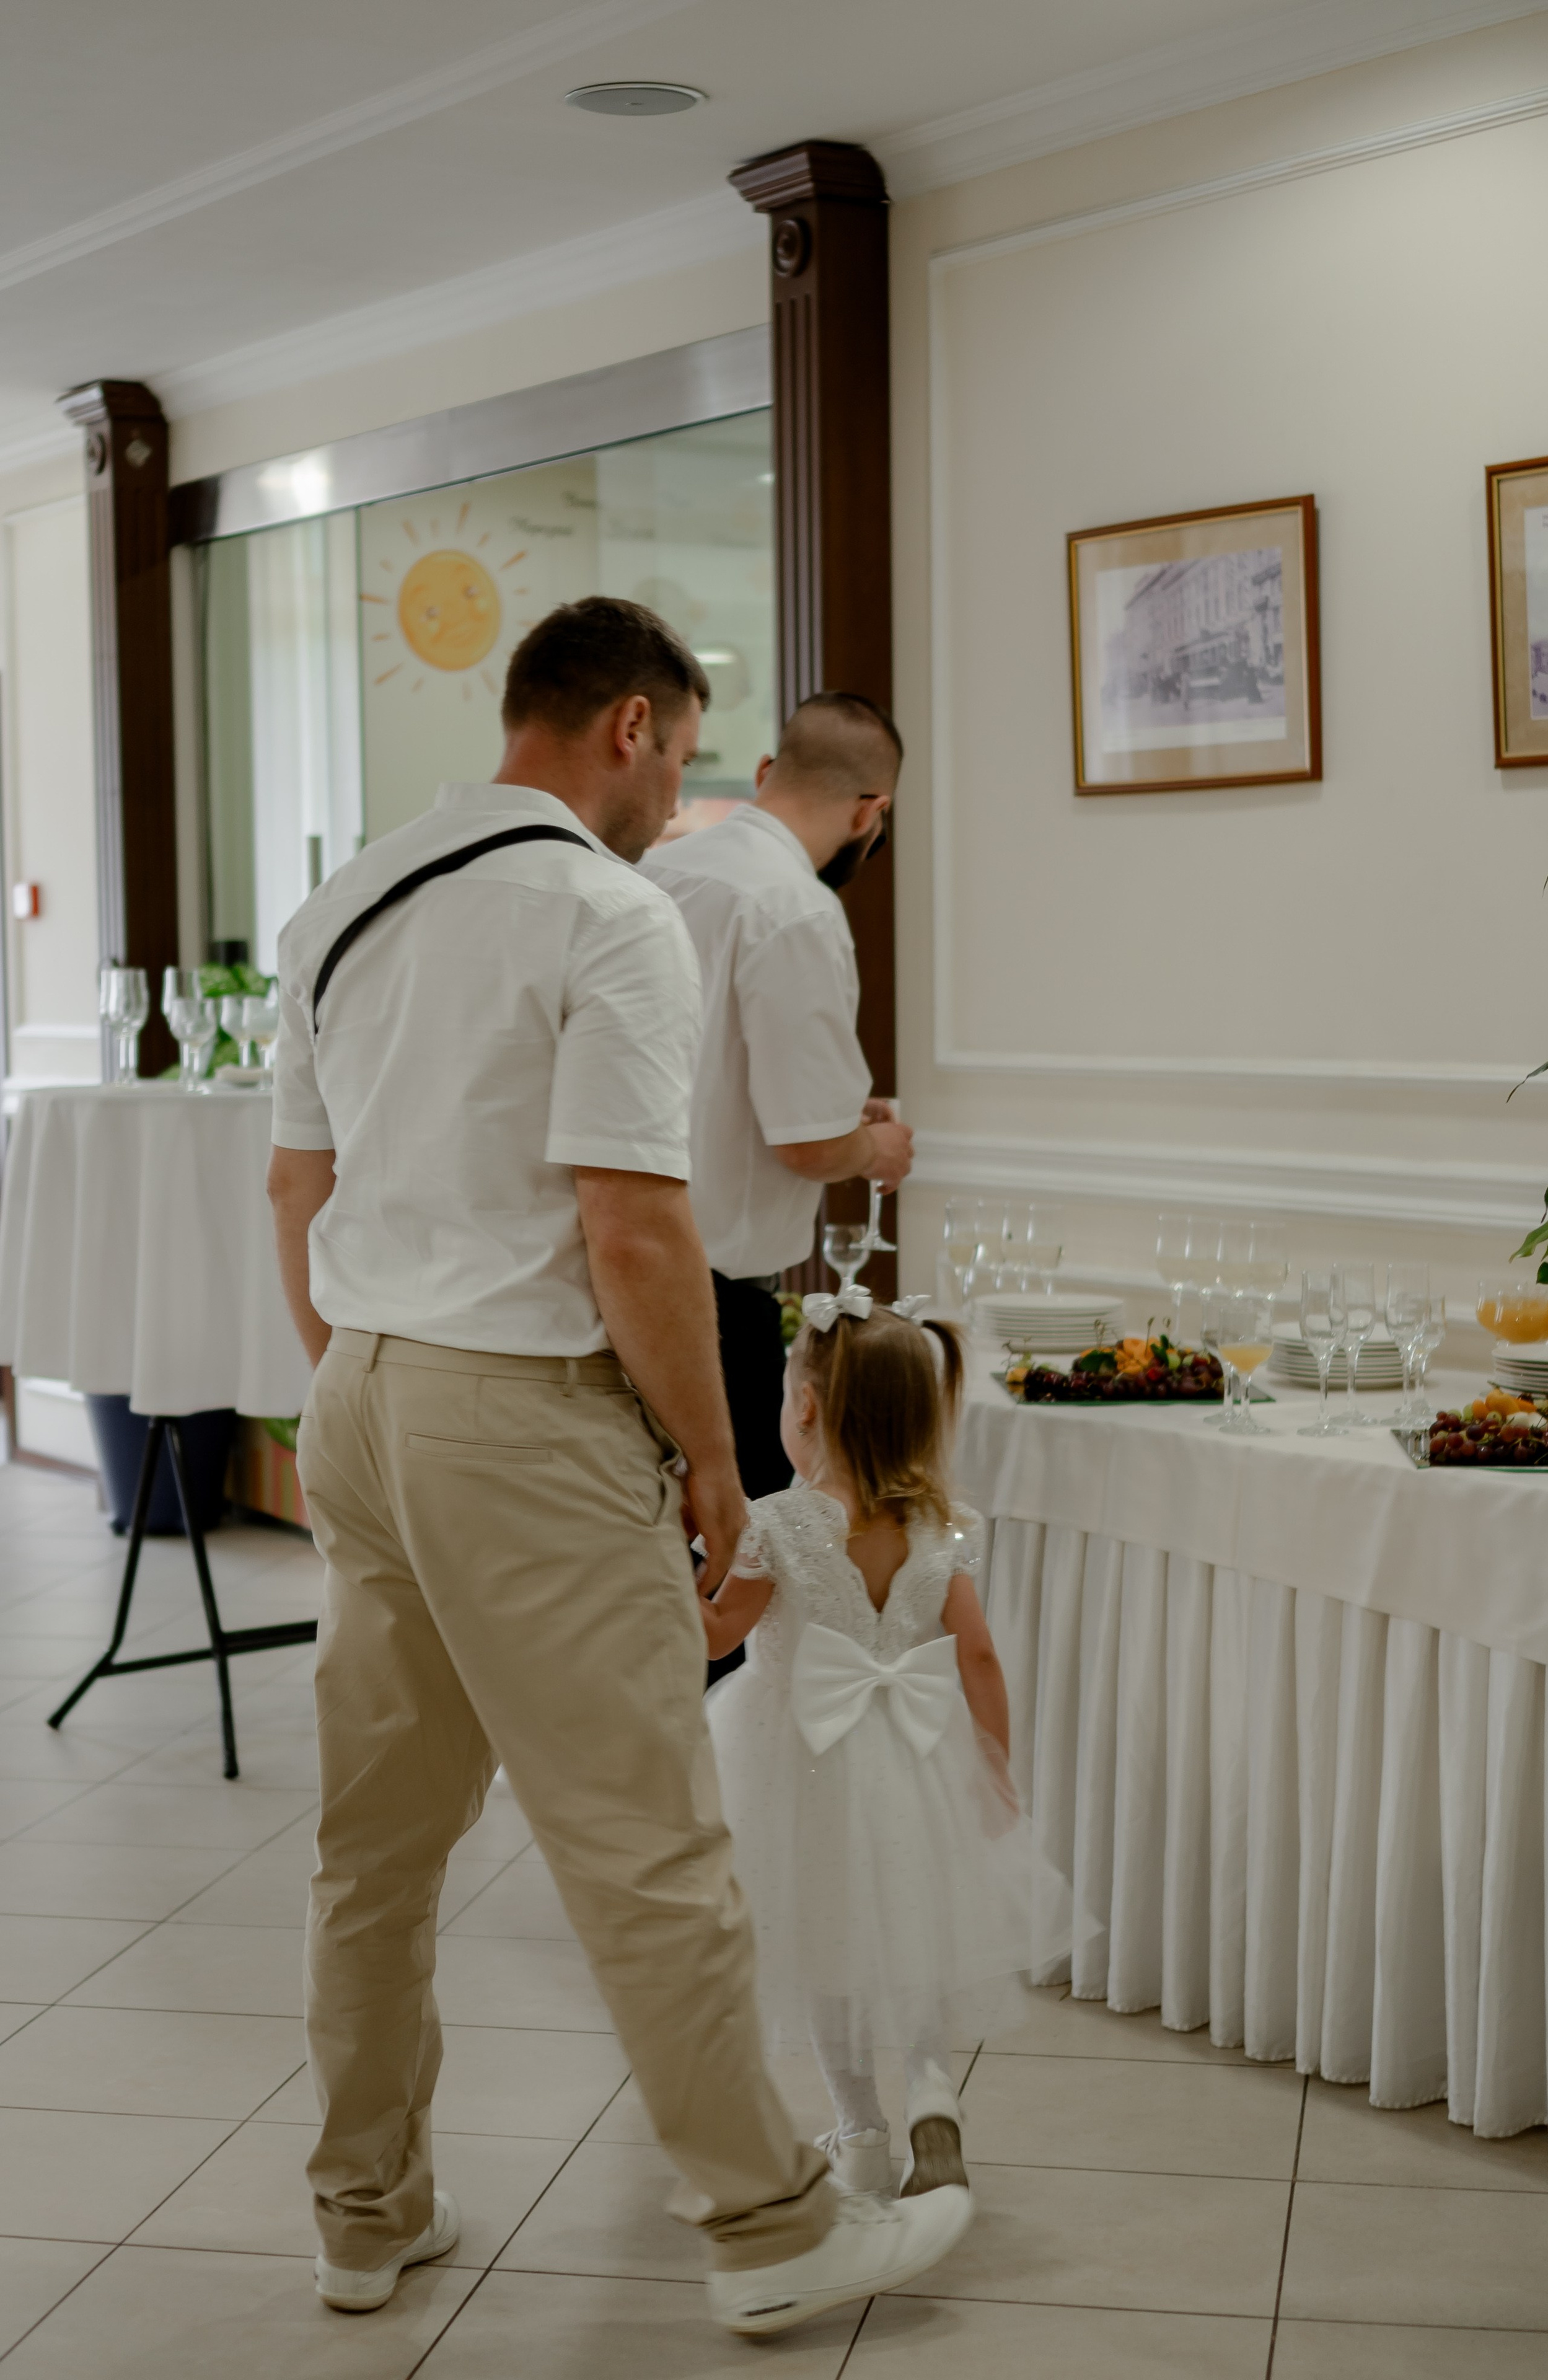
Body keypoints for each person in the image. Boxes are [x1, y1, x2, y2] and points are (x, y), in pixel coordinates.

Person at [265, 597, 970, 2338]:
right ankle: (772, 2226)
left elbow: (297, 1186)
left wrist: (362, 1378)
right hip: (524, 1414)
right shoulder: (605, 909)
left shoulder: (346, 900)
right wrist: (715, 1464)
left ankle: (365, 2214)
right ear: (631, 727)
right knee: (648, 1843)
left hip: (361, 1391)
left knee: (374, 1849)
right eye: (682, 760)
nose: (682, 803)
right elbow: (635, 1227)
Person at [698, 1288, 1057, 2200]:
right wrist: (993, 1770)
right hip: (914, 1756)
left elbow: (717, 1633)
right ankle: (933, 2090)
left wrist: (670, 1569)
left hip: (799, 1765)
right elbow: (978, 1656)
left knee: (827, 1948)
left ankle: (860, 2131)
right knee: (912, 1933)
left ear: (805, 1406)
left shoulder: (779, 1524)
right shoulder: (941, 1525)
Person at [641, 694, 912, 1680]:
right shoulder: (795, 908)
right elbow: (806, 1145)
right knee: (733, 1598)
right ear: (872, 812)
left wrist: (835, 1120)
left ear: (765, 773)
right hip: (713, 1308)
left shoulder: (656, 871)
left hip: (610, 1274)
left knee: (643, 1577)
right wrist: (874, 1148)